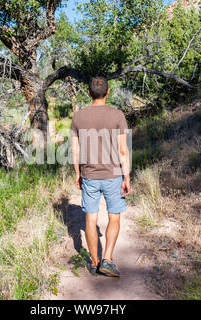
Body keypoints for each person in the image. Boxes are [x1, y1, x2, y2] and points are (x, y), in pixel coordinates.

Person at [70, 76, 131, 277]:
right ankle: (107, 259)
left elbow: (75, 150)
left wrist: (78, 174)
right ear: (108, 92)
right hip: (113, 175)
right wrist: (127, 177)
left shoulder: (78, 117)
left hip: (89, 175)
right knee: (114, 216)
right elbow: (123, 151)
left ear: (89, 93)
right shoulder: (117, 115)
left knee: (90, 218)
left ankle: (94, 263)